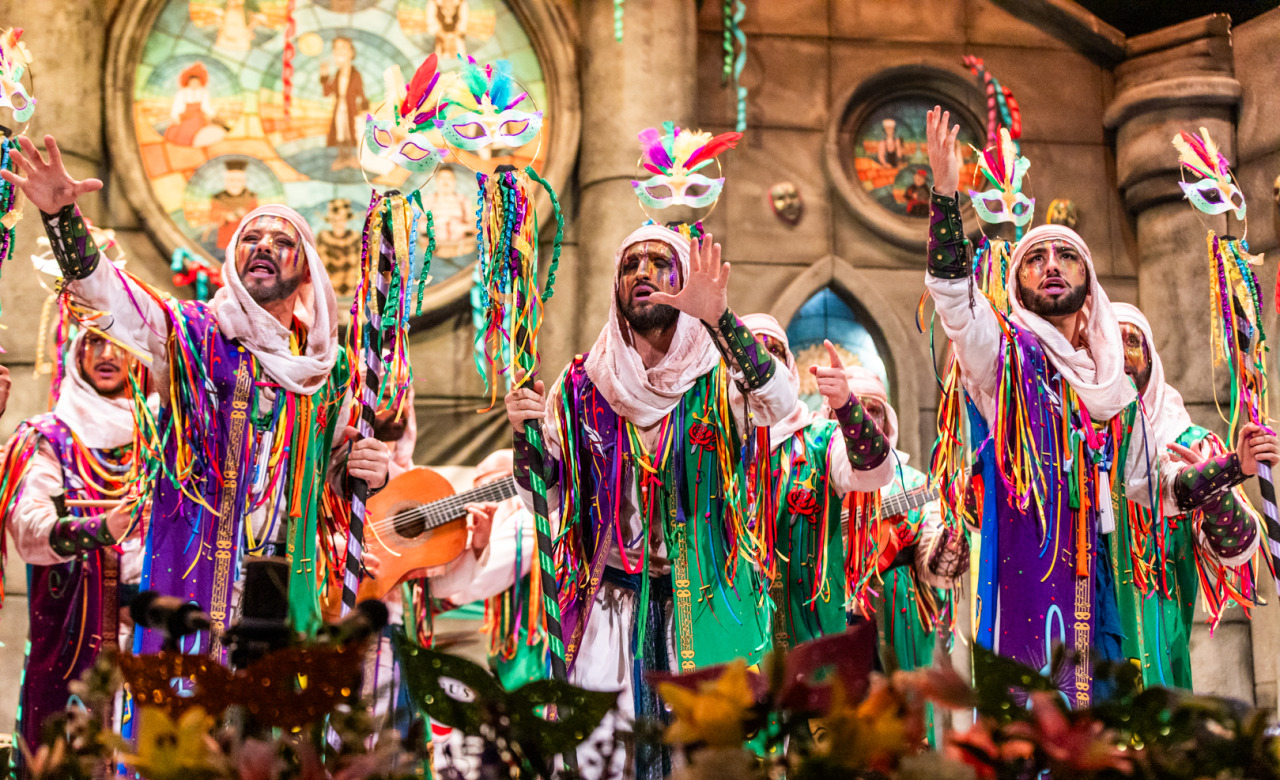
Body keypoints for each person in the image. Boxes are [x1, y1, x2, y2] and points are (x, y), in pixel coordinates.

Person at [922, 107, 1278, 706]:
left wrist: (1234, 468)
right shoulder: (1002, 353)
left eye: (1067, 257)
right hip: (1027, 595)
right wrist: (943, 193)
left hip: (1098, 598)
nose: (1052, 267)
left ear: (1091, 289)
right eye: (1036, 258)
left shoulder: (1116, 393)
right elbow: (955, 299)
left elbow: (1161, 489)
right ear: (1017, 284)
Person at [3, 134, 390, 660]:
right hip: (191, 579)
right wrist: (61, 216)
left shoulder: (330, 371)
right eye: (251, 238)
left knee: (274, 733)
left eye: (282, 241)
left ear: (307, 275)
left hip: (285, 590)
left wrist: (365, 468)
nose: (264, 247)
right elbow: (108, 294)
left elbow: (324, 476)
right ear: (233, 261)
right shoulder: (189, 335)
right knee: (180, 730)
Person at [504, 226, 795, 777]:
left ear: (684, 281)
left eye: (659, 261)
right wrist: (524, 439)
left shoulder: (720, 375)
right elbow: (541, 495)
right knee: (607, 762)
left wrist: (720, 319)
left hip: (707, 600)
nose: (642, 272)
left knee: (709, 759)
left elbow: (780, 401)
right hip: (609, 607)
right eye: (630, 264)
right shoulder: (580, 383)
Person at [0, 331, 147, 755]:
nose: (107, 354)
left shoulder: (166, 438)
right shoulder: (48, 439)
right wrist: (100, 529)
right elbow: (29, 526)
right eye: (93, 342)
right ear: (73, 351)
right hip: (76, 637)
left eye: (119, 342)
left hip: (150, 640)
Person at [1109, 303, 1262, 690]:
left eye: (1133, 341)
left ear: (1151, 358)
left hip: (1159, 649)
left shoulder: (1187, 445)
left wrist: (1215, 496)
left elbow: (1238, 551)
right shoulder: (1076, 445)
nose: (1123, 354)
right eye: (1110, 339)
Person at [733, 314, 893, 651]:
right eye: (751, 351)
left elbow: (878, 473)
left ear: (788, 368)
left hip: (808, 633)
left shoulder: (820, 440)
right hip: (731, 628)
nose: (761, 362)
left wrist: (847, 406)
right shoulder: (711, 442)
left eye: (773, 351)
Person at [320, 37, 368, 171]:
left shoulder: (355, 74)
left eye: (343, 48)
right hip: (339, 107)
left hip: (351, 108)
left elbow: (362, 93)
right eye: (336, 49)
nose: (339, 52)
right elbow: (327, 92)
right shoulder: (337, 74)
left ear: (351, 53)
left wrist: (364, 110)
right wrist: (324, 76)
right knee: (340, 132)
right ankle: (342, 158)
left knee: (351, 132)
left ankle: (352, 157)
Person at [164, 61, 226, 148]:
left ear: (200, 83)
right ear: (188, 82)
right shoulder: (182, 93)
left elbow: (206, 107)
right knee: (180, 131)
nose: (194, 84)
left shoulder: (203, 92)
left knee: (198, 128)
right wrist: (176, 117)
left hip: (198, 117)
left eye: (197, 82)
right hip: (185, 116)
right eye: (192, 82)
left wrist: (214, 114)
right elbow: (176, 107)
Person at [208, 159, 258, 251]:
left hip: (245, 242)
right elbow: (213, 215)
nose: (235, 183)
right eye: (231, 180)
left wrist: (245, 214)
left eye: (238, 180)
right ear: (226, 181)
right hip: (225, 242)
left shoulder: (251, 197)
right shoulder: (218, 197)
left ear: (243, 181)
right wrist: (226, 215)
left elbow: (256, 217)